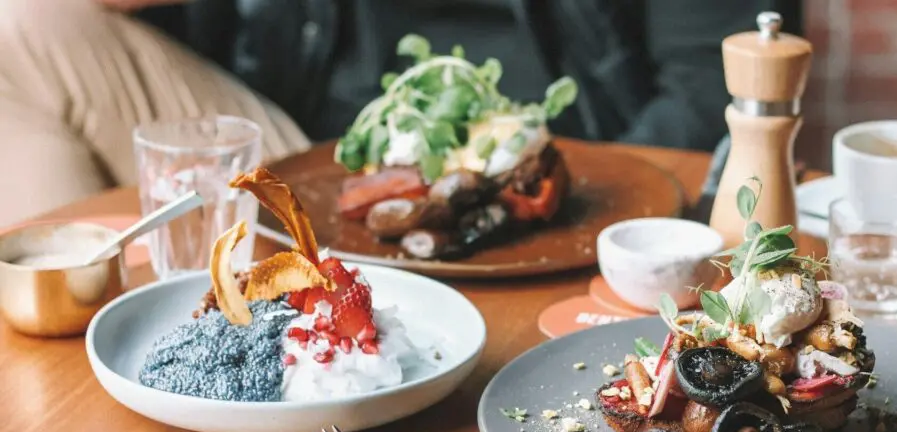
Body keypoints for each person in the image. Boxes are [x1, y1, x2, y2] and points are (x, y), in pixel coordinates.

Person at [0, 0, 797, 227]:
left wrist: (549, 203)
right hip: (317, 167)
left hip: (562, 188)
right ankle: (64, 359)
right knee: (25, 28)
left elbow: (706, 90)